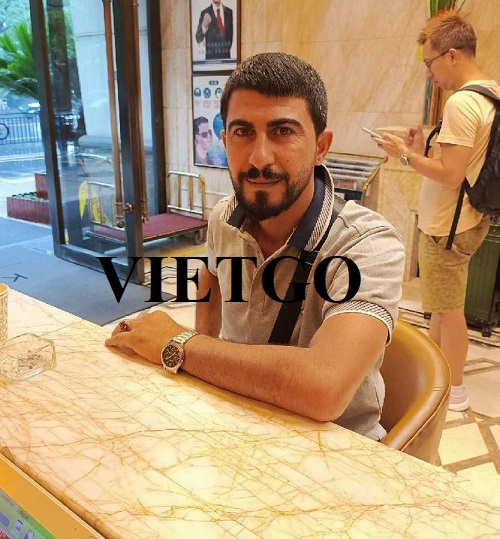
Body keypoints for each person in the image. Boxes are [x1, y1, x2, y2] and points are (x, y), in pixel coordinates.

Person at [106, 52, 405, 440]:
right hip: (237, 421)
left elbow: (324, 389)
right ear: (225, 140)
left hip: (337, 448)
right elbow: (211, 276)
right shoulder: (224, 217)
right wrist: (204, 350)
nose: (260, 157)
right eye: (243, 132)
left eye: (283, 131)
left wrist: (181, 343)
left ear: (321, 146)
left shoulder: (367, 244)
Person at [373, 12, 500, 411]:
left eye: (430, 63)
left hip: (448, 226)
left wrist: (403, 154)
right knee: (443, 309)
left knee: (449, 310)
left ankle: (455, 390)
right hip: (464, 219)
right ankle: (439, 377)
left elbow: (450, 174)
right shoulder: (489, 92)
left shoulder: (462, 101)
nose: (429, 73)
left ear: (452, 55)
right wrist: (420, 145)